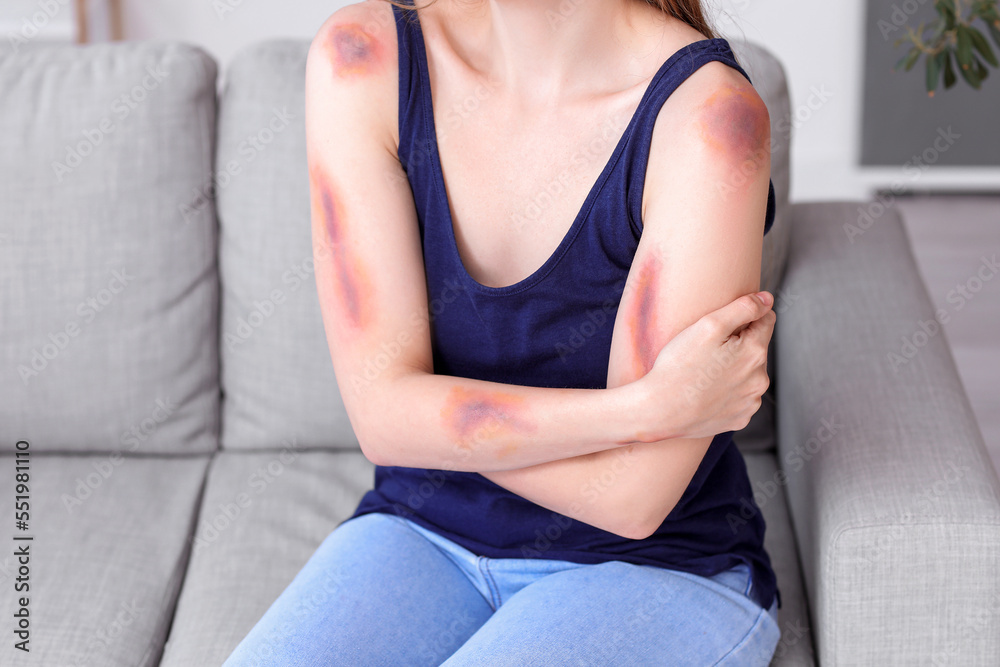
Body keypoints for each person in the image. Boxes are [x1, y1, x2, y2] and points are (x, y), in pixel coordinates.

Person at [224, 0, 782, 664]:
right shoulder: (364, 57)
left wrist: (425, 421)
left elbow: (631, 497)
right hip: (421, 529)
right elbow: (381, 419)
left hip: (657, 566)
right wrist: (643, 410)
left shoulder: (709, 120)